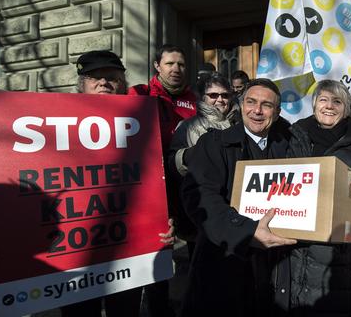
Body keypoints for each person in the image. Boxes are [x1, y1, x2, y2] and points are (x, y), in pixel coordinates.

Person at [270, 80, 351, 316]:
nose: (329, 106)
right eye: (323, 100)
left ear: (346, 109)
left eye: (337, 102)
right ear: (314, 106)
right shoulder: (292, 136)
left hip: (336, 260)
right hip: (291, 251)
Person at [180, 78, 297, 316]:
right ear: (241, 105)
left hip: (276, 268)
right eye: (251, 102)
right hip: (223, 265)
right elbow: (200, 196)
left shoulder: (290, 147)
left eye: (266, 105)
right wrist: (245, 231)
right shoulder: (213, 144)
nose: (257, 110)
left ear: (277, 111)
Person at [62, 50, 144, 317]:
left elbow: (154, 179)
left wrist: (163, 220)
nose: (104, 83)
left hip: (128, 247)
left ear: (123, 85)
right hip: (76, 249)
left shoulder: (142, 123)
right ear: (81, 84)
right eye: (95, 77)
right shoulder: (56, 122)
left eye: (112, 78)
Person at [128, 45, 195, 317]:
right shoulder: (139, 94)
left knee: (197, 247)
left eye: (180, 64)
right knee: (159, 250)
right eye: (169, 63)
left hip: (187, 186)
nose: (176, 69)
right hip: (154, 187)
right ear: (157, 66)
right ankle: (158, 308)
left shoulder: (195, 99)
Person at [167, 72, 241, 256]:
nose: (220, 100)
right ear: (202, 98)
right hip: (204, 207)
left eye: (225, 95)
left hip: (238, 203)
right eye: (213, 95)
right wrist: (189, 156)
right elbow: (172, 163)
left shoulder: (242, 123)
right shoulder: (188, 126)